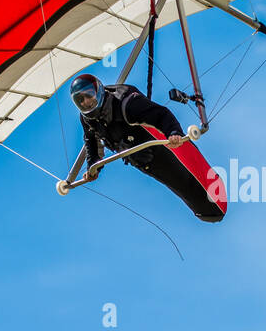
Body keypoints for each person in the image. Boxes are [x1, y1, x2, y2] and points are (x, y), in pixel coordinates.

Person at [68, 74, 226, 222]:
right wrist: (93, 167)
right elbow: (91, 140)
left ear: (99, 92)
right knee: (176, 183)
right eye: (79, 100)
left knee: (192, 185)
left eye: (88, 95)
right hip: (141, 158)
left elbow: (161, 115)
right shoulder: (87, 118)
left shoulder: (127, 103)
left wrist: (174, 133)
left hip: (160, 148)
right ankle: (208, 210)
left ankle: (211, 206)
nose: (85, 102)